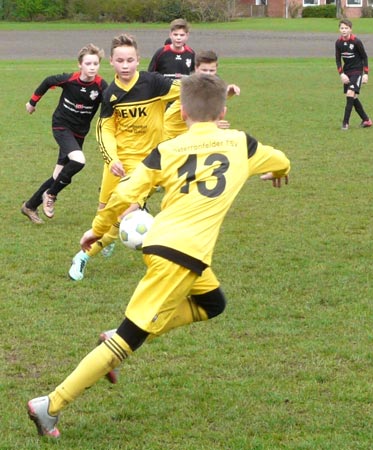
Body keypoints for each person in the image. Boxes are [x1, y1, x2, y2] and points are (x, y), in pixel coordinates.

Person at [27, 73, 291, 439]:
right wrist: (278, 171)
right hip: (181, 255)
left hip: (165, 245)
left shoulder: (167, 150)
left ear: (181, 112)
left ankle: (113, 339)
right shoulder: (241, 143)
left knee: (212, 303)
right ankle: (49, 405)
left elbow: (124, 194)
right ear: (223, 112)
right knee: (128, 339)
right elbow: (281, 159)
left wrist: (97, 229)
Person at [68, 33, 181, 281]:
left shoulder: (154, 83)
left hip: (146, 166)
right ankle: (106, 238)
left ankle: (83, 256)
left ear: (138, 59)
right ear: (111, 61)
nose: (125, 65)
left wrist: (219, 94)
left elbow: (190, 92)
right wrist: (112, 159)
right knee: (103, 212)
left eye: (130, 60)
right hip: (118, 162)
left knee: (123, 214)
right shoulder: (111, 94)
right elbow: (105, 129)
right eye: (120, 61)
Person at [20, 44, 108, 224]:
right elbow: (47, 81)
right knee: (79, 161)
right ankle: (51, 194)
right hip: (61, 126)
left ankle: (30, 206)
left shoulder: (101, 86)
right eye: (88, 63)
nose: (92, 67)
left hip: (80, 133)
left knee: (58, 176)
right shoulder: (69, 80)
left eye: (96, 64)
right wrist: (32, 102)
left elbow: (111, 104)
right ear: (80, 65)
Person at [163, 50, 241, 139]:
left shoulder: (211, 83)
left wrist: (227, 93)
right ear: (196, 68)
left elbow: (209, 100)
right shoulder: (188, 85)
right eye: (204, 70)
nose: (208, 74)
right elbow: (197, 111)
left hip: (191, 132)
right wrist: (213, 124)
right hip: (171, 133)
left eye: (212, 70)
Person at [335, 19, 372, 131]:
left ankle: (345, 123)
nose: (344, 30)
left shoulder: (356, 42)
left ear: (350, 29)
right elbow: (338, 60)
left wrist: (366, 74)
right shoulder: (338, 43)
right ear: (339, 29)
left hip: (357, 71)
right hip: (347, 72)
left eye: (346, 28)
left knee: (350, 93)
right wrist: (341, 74)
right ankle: (366, 120)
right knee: (353, 97)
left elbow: (364, 57)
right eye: (342, 28)